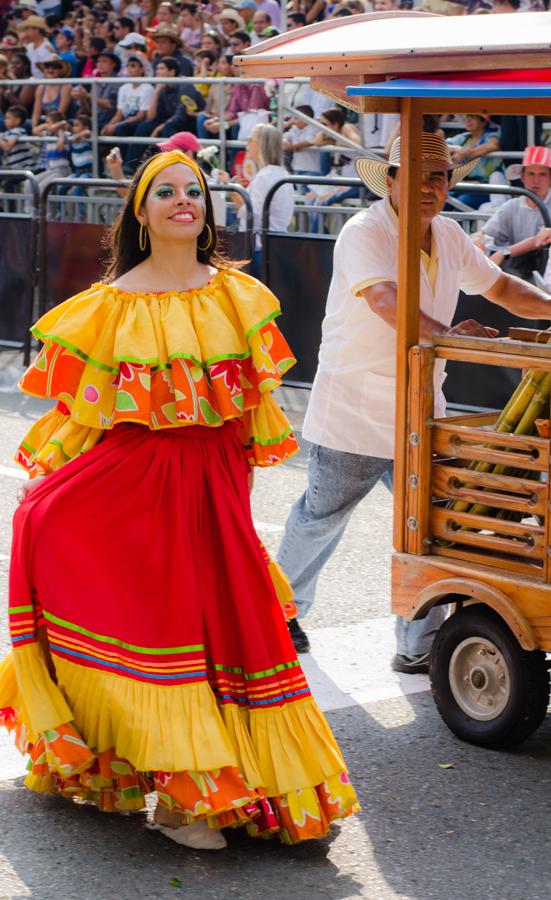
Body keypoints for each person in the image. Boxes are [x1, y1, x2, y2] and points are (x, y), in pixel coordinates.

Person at [0, 149, 359, 850]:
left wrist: (230, 498)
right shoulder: (109, 307)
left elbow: (246, 419)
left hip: (213, 490)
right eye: (163, 192)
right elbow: (88, 420)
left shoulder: (235, 296)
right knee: (154, 631)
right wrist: (55, 493)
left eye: (191, 190)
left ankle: (244, 790)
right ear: (141, 212)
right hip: (135, 488)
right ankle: (179, 797)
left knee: (229, 628)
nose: (180, 200)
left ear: (206, 208)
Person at [276, 133, 551, 666]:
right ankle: (279, 613)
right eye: (419, 175)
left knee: (433, 525)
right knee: (322, 516)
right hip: (357, 403)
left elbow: (500, 288)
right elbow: (385, 299)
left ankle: (419, 647)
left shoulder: (448, 233)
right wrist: (450, 336)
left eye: (440, 176)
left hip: (423, 404)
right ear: (393, 180)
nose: (430, 187)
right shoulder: (365, 230)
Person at [221, 123, 295, 273]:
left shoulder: (265, 176)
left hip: (260, 247)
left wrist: (231, 189)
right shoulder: (279, 173)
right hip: (273, 245)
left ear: (261, 143)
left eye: (250, 139)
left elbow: (251, 214)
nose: (247, 144)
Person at [472, 145, 551, 271]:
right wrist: (477, 240)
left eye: (542, 174)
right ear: (522, 177)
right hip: (520, 269)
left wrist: (504, 253)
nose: (536, 180)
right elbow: (485, 232)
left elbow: (538, 241)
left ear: (550, 179)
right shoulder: (512, 205)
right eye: (531, 174)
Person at [101, 55, 154, 162]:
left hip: (138, 122)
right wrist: (110, 125)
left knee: (121, 128)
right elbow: (119, 113)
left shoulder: (147, 88)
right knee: (103, 128)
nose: (129, 69)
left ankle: (128, 163)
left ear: (142, 69)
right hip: (126, 121)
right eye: (128, 66)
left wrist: (117, 124)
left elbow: (142, 115)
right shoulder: (123, 88)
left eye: (133, 66)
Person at [447, 114, 502, 209]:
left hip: (485, 186)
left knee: (462, 203)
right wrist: (458, 149)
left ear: (484, 121)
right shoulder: (464, 137)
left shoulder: (493, 136)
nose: (468, 121)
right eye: (466, 117)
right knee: (444, 201)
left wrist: (465, 154)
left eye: (472, 117)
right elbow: (442, 146)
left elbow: (493, 145)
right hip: (464, 184)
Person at [31, 53, 72, 130]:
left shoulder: (65, 87)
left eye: (54, 67)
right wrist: (34, 127)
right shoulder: (40, 87)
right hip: (43, 125)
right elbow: (36, 113)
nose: (50, 69)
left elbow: (61, 114)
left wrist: (46, 127)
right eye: (47, 66)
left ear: (60, 70)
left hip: (61, 125)